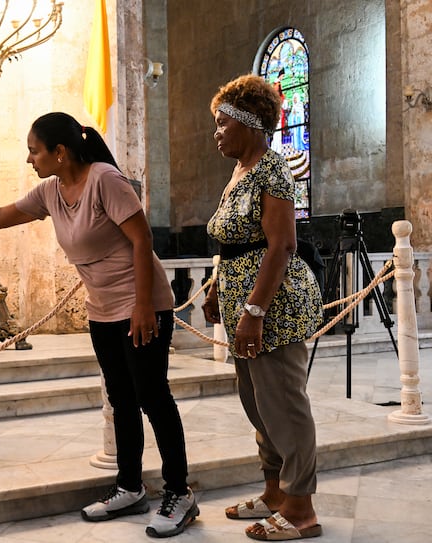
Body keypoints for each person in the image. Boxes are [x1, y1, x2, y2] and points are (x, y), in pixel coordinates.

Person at [0, 112, 198, 539]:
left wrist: (142, 307)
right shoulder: (52, 190)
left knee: (152, 397)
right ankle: (130, 487)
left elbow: (142, 240)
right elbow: (2, 214)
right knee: (120, 398)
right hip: (102, 309)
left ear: (60, 152)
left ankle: (179, 493)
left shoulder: (105, 180)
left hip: (141, 305)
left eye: (34, 150)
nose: (29, 159)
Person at [202, 74, 323, 541]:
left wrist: (254, 313)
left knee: (285, 407)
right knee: (258, 406)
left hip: (275, 308)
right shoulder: (239, 173)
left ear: (251, 124)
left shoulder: (272, 169)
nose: (216, 132)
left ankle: (301, 509)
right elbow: (237, 245)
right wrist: (217, 288)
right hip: (242, 305)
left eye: (222, 123)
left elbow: (280, 247)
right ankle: (274, 491)